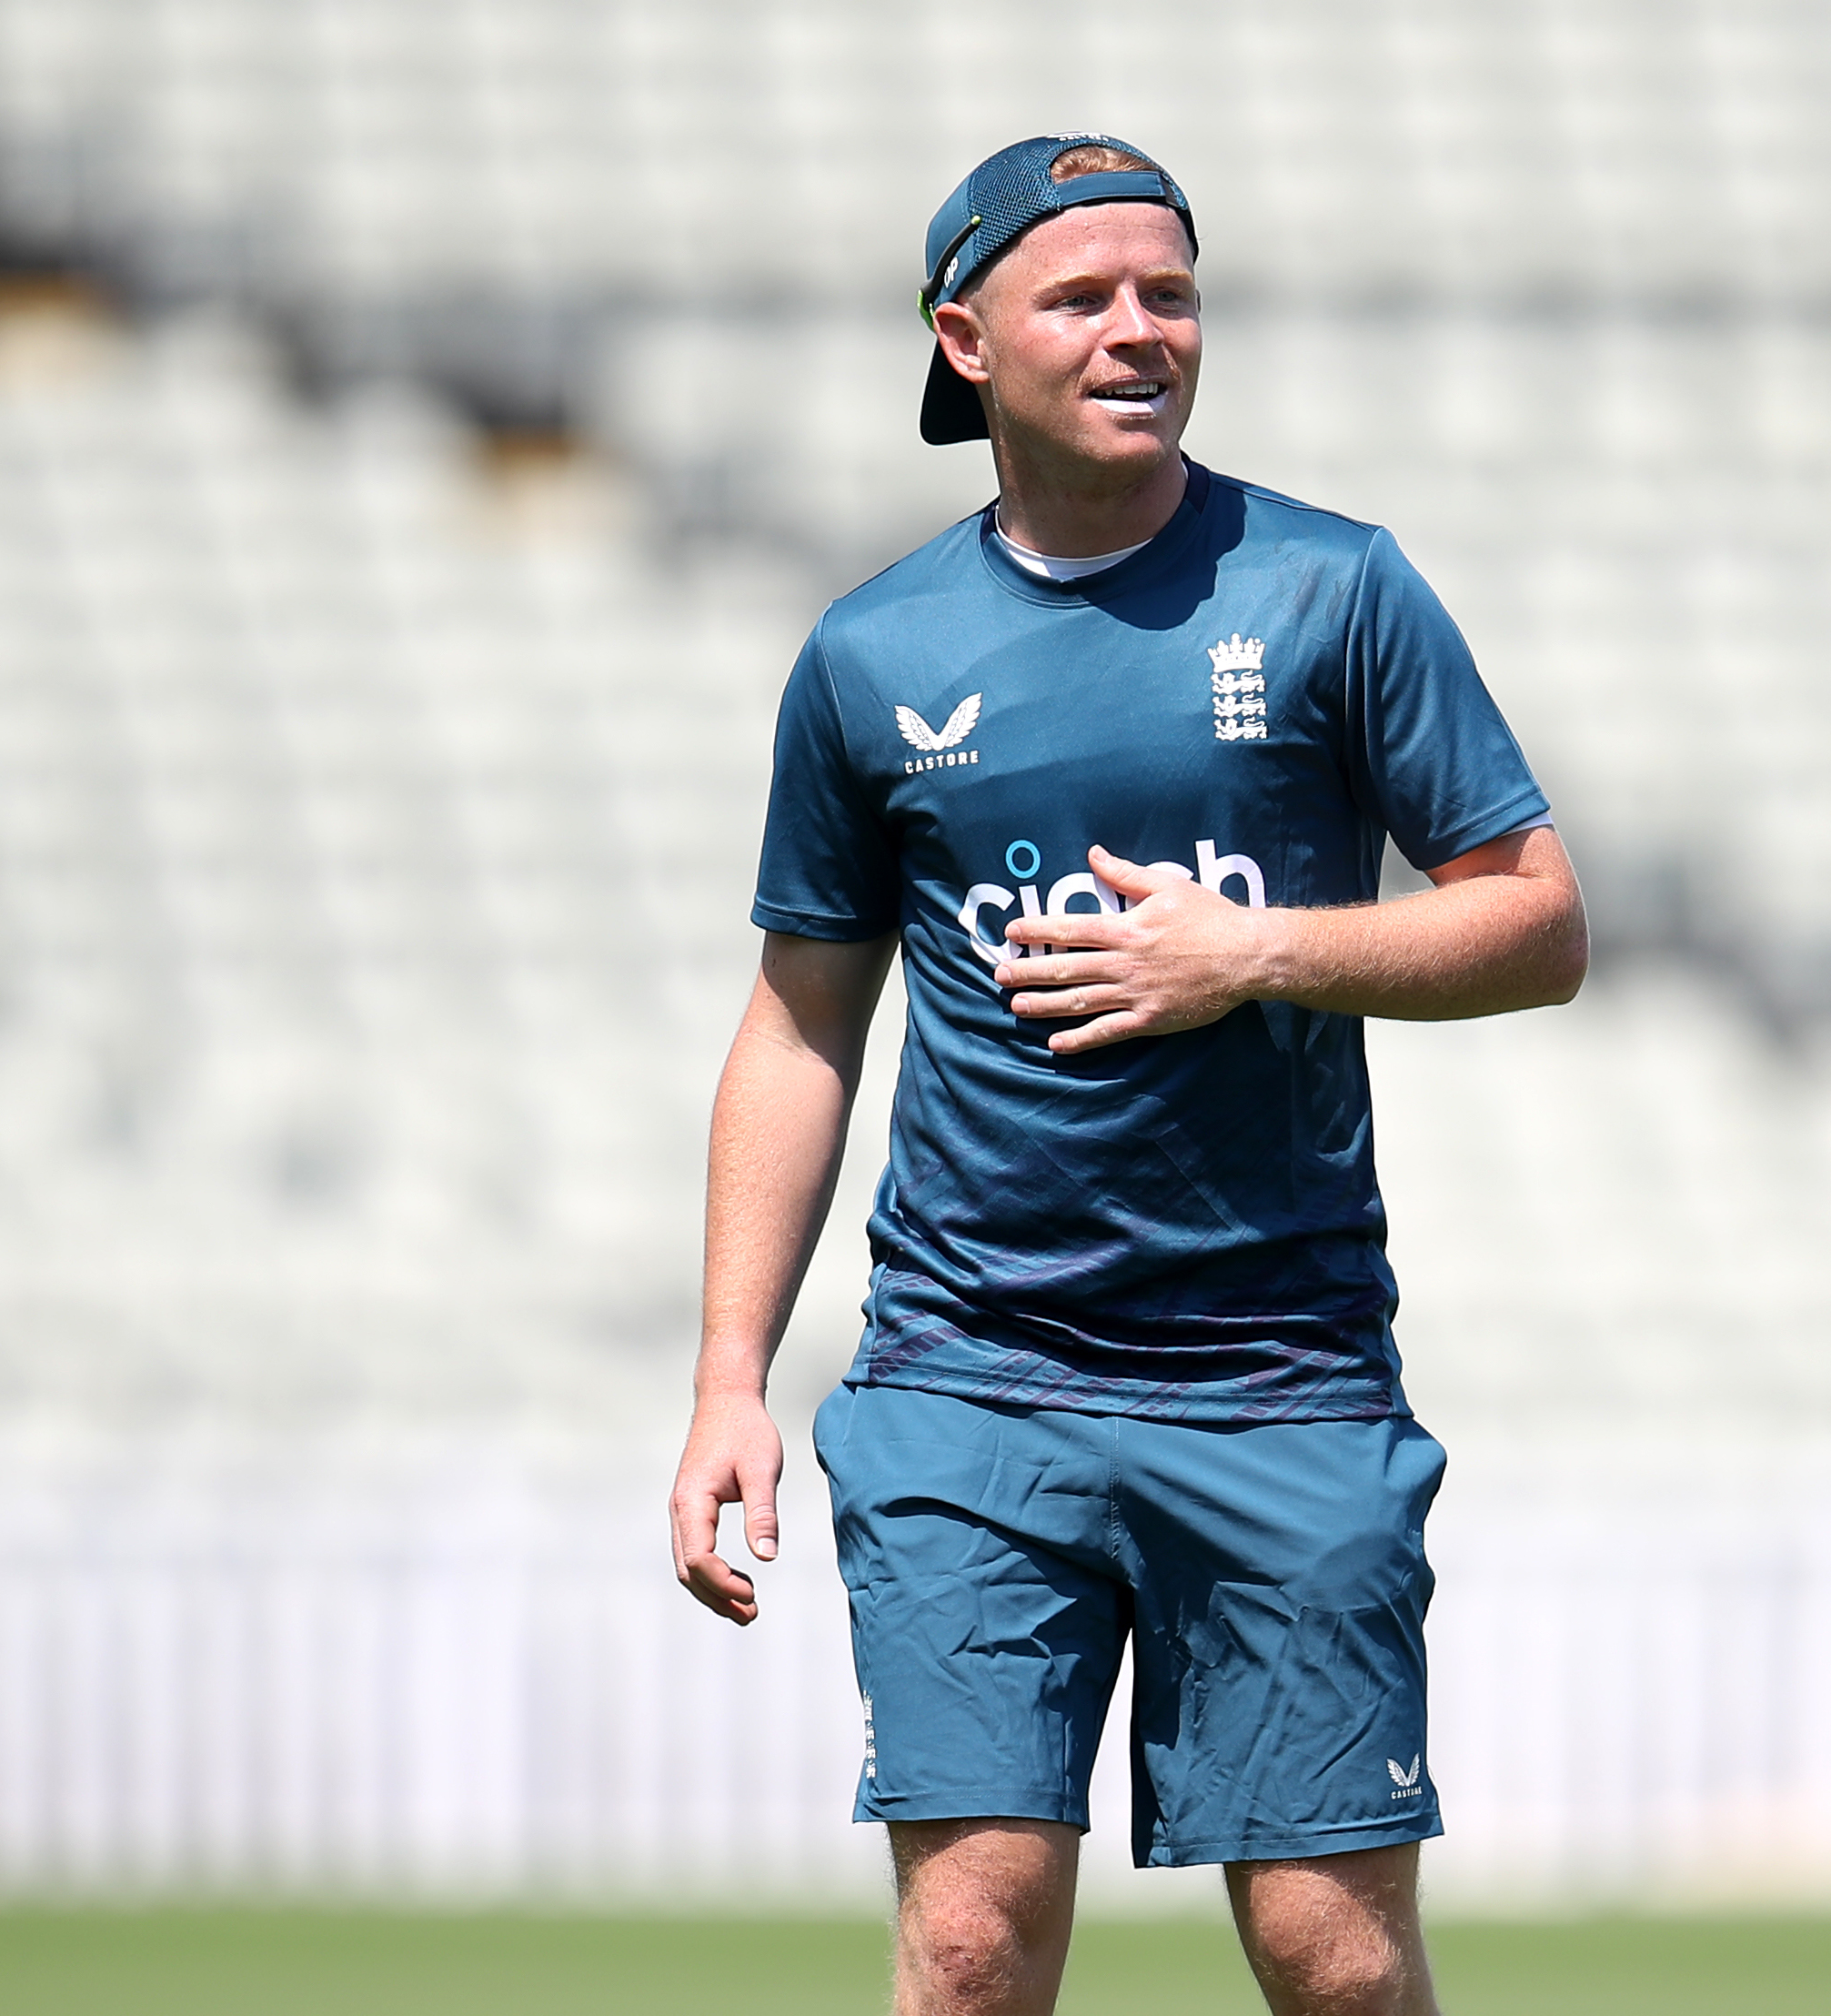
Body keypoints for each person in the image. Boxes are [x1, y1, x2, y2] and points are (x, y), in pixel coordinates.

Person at [669, 133, 1585, 2016]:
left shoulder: (1335, 588)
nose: (1138, 329)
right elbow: (801, 1022)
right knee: (970, 1943)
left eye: (1169, 293)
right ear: (964, 338)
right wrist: (728, 1377)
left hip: (1279, 1372)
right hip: (970, 1374)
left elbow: (1537, 920)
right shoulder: (870, 651)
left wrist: (1255, 952)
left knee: (1334, 1957)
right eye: (1081, 296)